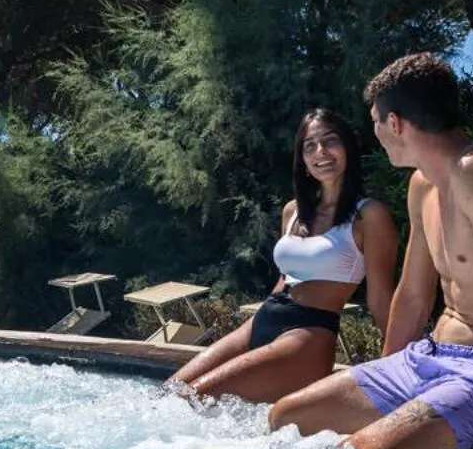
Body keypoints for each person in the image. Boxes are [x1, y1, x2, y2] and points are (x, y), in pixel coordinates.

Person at [268, 54, 473, 449]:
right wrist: (384, 375)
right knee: (285, 417)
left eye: (377, 123)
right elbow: (414, 294)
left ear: (396, 123)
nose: (376, 135)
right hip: (427, 357)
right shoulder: (423, 185)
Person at [169, 108, 398, 404]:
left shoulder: (368, 214)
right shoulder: (293, 211)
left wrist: (396, 368)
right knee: (170, 395)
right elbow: (285, 277)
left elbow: (380, 298)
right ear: (302, 159)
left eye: (331, 141)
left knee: (196, 399)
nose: (321, 152)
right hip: (264, 320)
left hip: (307, 335)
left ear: (348, 149)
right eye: (310, 145)